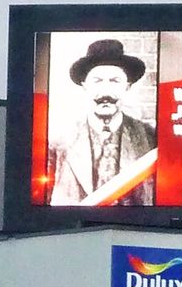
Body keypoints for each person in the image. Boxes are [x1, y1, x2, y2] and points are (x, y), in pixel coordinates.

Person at [47, 39, 156, 206]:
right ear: (85, 86)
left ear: (127, 87)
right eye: (97, 81)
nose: (106, 91)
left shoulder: (150, 137)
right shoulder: (59, 139)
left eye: (115, 81)